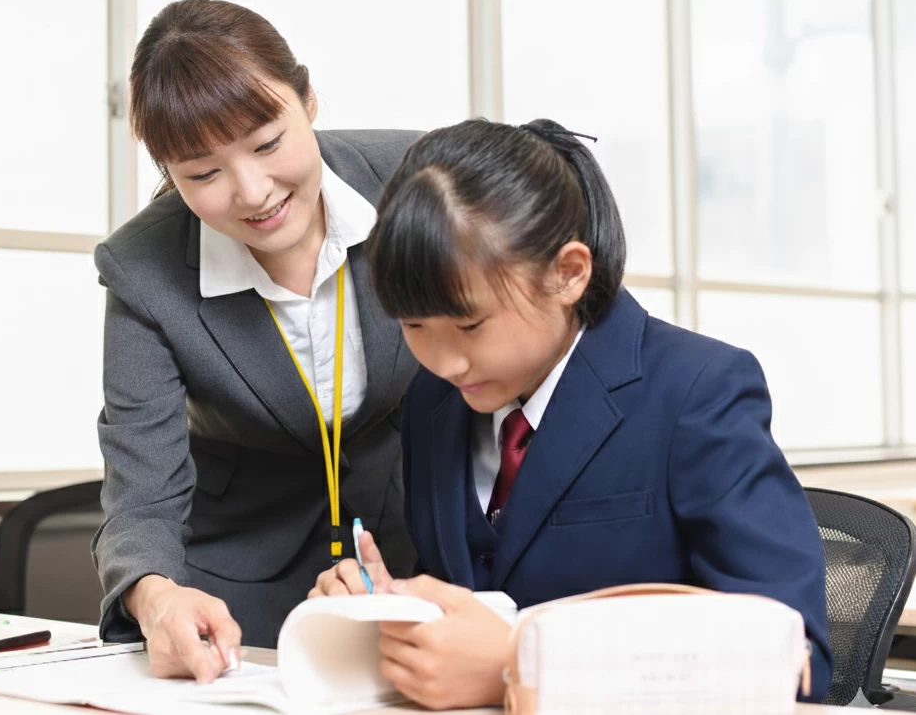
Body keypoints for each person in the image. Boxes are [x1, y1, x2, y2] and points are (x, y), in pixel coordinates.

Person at [311, 118, 832, 708]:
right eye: (413, 326)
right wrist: (390, 612)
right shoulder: (433, 402)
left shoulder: (697, 392)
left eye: (470, 324)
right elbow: (468, 597)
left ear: (567, 274)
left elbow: (797, 658)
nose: (445, 361)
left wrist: (519, 663)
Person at [93, 0, 420, 683]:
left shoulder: (415, 178)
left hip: (413, 555)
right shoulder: (143, 268)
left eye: (269, 142)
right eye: (202, 173)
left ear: (307, 99)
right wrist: (157, 597)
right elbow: (142, 488)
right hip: (235, 589)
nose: (252, 192)